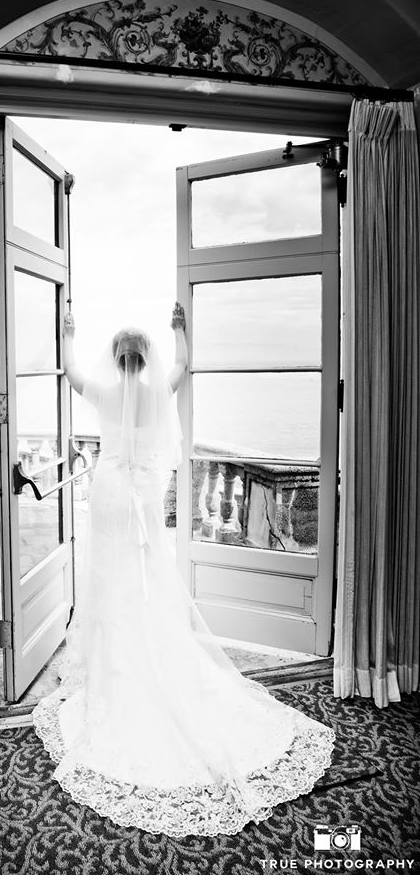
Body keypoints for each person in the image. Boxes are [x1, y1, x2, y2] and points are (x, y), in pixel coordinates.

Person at [32, 303, 335, 838]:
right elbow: (183, 366)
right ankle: (151, 646)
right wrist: (179, 329)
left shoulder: (102, 392)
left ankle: (117, 663)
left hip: (110, 493)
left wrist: (68, 334)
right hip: (144, 496)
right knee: (149, 574)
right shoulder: (157, 392)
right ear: (144, 358)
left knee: (110, 578)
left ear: (115, 359)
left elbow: (73, 371)